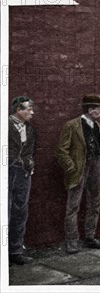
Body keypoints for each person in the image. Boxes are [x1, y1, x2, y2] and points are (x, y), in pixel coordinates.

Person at [56, 94, 100, 254]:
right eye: (99, 108)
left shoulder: (98, 126)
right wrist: (71, 167)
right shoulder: (72, 125)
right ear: (90, 109)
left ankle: (90, 237)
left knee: (95, 203)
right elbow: (61, 150)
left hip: (97, 165)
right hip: (80, 168)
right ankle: (72, 241)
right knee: (73, 206)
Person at [8, 96, 35, 266]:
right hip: (8, 172)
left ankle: (15, 251)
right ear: (18, 110)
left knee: (20, 211)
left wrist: (30, 163)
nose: (32, 112)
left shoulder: (30, 128)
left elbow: (30, 151)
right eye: (28, 109)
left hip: (23, 174)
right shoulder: (5, 126)